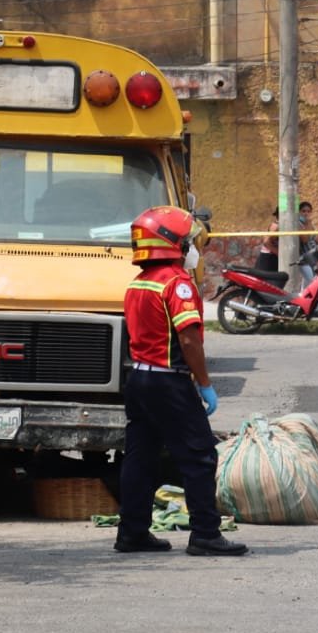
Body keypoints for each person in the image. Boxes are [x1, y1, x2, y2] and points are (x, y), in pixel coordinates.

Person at [116, 206, 247, 557]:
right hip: (167, 383)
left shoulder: (138, 283)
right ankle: (205, 533)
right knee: (200, 455)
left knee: (139, 458)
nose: (193, 248)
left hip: (139, 380)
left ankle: (132, 532)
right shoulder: (177, 283)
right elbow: (189, 340)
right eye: (189, 242)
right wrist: (204, 383)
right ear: (171, 243)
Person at [256, 207, 280, 272]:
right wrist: (278, 252)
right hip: (268, 257)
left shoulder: (285, 225)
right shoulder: (276, 226)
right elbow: (266, 242)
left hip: (274, 257)